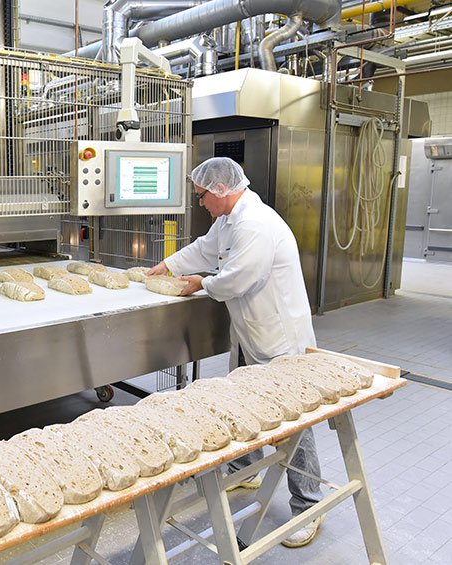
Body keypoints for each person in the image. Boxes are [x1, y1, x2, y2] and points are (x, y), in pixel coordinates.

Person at [146, 157, 324, 548]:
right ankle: (246, 467)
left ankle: (309, 506)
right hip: (251, 336)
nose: (201, 203)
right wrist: (165, 266)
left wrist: (200, 284)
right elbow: (204, 249)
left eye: (202, 196)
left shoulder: (255, 224)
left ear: (221, 189)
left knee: (294, 425)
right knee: (246, 404)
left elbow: (240, 279)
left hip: (279, 341)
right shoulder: (228, 221)